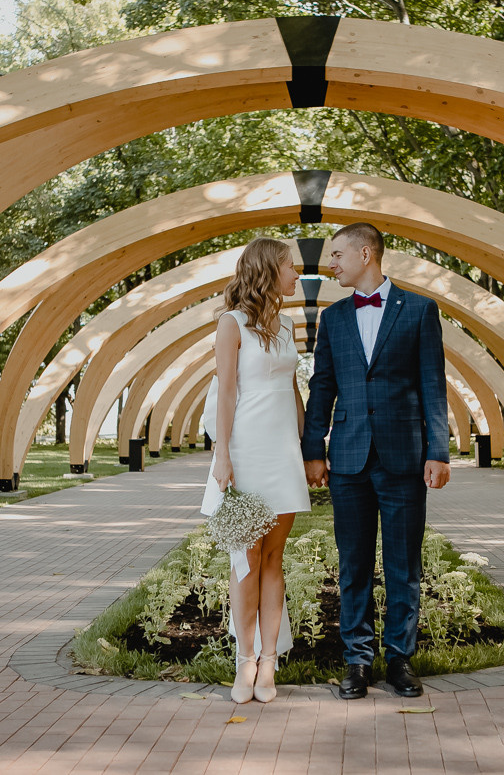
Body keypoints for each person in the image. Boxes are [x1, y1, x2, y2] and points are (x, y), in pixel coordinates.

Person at [302, 223, 451, 700]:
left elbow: (432, 384)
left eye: (338, 254)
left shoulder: (420, 310)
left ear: (366, 254)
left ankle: (400, 660)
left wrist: (438, 451)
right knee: (354, 564)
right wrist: (312, 450)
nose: (331, 263)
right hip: (347, 457)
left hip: (404, 456)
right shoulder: (334, 318)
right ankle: (357, 660)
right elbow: (322, 386)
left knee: (404, 564)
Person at [201, 237, 310, 705]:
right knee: (246, 559)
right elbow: (226, 392)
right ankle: (244, 660)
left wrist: (309, 448)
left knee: (273, 558)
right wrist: (223, 454)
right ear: (268, 270)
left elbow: (294, 389)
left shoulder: (287, 325)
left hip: (283, 453)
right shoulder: (231, 324)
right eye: (290, 266)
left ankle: (269, 662)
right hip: (245, 450)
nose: (297, 274)